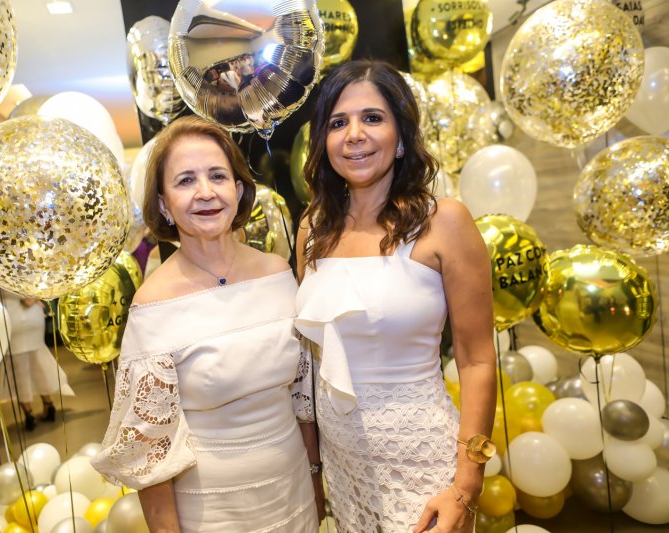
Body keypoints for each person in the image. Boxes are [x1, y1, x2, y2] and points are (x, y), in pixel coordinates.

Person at [91, 116, 322, 532]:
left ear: (238, 189)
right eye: (185, 181)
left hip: (294, 499)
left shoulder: (277, 274)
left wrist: (316, 483)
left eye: (218, 175)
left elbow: (303, 404)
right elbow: (150, 453)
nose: (205, 192)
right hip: (212, 512)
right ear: (163, 204)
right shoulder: (153, 305)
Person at [295, 59, 497, 533]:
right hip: (344, 467)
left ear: (401, 136)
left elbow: (476, 359)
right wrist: (315, 470)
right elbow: (310, 366)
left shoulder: (444, 221)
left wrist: (466, 488)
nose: (354, 135)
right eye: (338, 123)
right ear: (324, 143)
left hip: (425, 468)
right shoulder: (312, 229)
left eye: (372, 118)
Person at [0, 289, 74, 431]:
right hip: (34, 312)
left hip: (10, 315)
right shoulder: (25, 266)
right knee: (38, 360)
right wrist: (32, 296)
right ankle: (48, 404)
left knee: (17, 367)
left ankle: (29, 414)